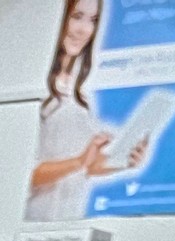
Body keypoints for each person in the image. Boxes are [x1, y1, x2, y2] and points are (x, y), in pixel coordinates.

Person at [28, 0, 122, 218]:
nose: (84, 30)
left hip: (70, 218)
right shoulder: (37, 89)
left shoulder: (80, 96)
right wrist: (78, 161)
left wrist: (123, 160)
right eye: (77, 17)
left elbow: (87, 167)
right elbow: (24, 174)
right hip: (35, 218)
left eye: (93, 20)